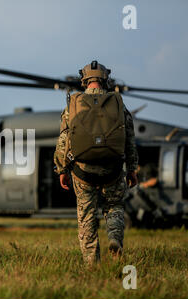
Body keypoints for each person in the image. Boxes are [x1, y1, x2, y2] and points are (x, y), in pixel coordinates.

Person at [54, 60, 138, 265]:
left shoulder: (73, 105)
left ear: (84, 80)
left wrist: (61, 169)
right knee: (114, 205)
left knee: (86, 215)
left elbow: (64, 140)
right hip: (113, 168)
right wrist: (132, 169)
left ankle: (92, 263)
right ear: (105, 79)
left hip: (83, 171)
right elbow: (129, 139)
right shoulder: (118, 104)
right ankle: (114, 239)